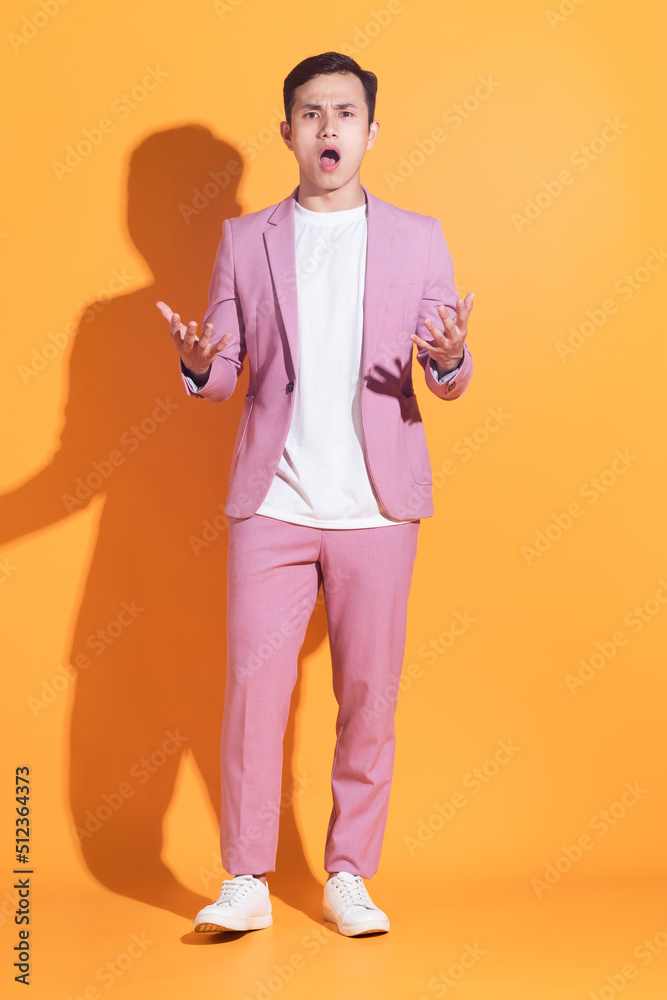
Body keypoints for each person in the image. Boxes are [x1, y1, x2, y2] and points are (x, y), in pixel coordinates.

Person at [156, 50, 474, 938]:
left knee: (369, 693)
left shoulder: (419, 237)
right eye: (309, 112)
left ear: (371, 131)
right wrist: (195, 365)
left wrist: (447, 356)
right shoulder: (243, 241)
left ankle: (348, 874)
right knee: (253, 691)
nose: (327, 126)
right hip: (275, 503)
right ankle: (246, 879)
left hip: (378, 505)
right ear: (287, 132)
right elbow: (223, 376)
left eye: (344, 112)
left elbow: (447, 374)